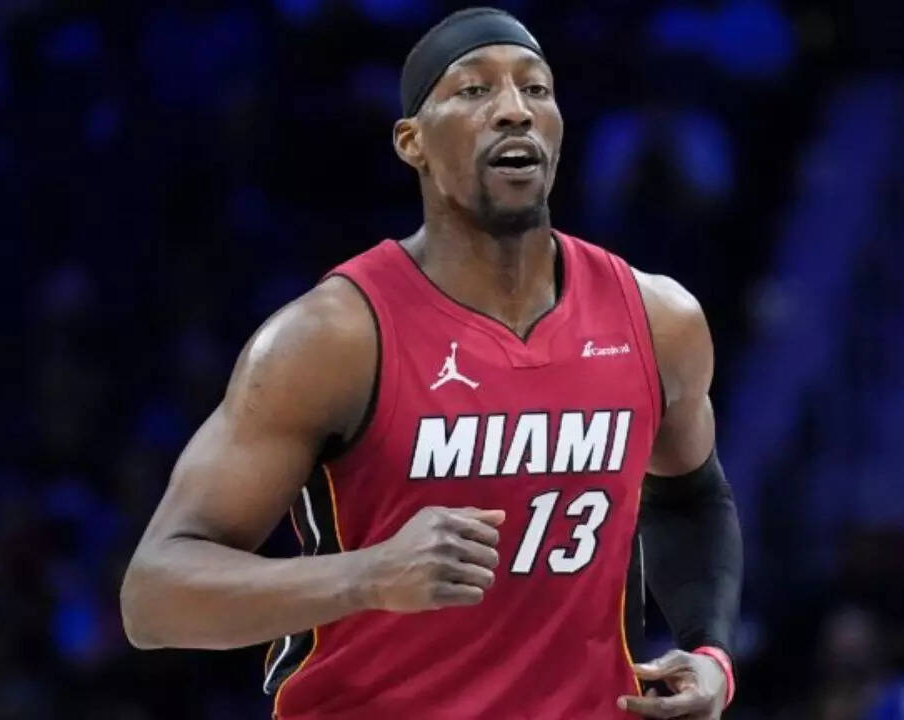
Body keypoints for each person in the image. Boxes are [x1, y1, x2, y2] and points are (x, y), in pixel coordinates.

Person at [120, 7, 743, 719]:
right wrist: (368, 576)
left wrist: (710, 652)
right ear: (411, 141)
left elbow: (693, 497)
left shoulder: (659, 319)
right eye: (474, 91)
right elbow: (154, 596)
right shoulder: (334, 337)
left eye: (536, 90)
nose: (514, 110)